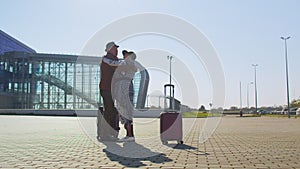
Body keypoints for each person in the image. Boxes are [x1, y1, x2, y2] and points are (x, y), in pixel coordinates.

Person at [102, 50, 138, 142]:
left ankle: (130, 134)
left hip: (124, 87)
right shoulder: (130, 64)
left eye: (126, 54)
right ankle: (129, 134)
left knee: (125, 110)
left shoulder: (127, 63)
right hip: (126, 86)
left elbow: (117, 67)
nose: (124, 55)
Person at [99, 41, 120, 141]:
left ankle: (109, 133)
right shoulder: (106, 58)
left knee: (110, 111)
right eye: (115, 48)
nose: (117, 50)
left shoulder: (114, 59)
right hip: (106, 88)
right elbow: (115, 65)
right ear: (109, 49)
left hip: (111, 89)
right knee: (108, 111)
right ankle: (104, 135)